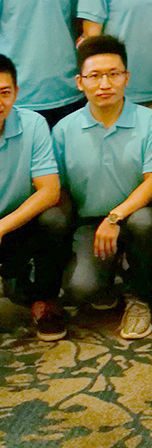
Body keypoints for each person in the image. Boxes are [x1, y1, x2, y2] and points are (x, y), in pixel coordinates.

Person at [51, 36, 152, 339]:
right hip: (90, 223)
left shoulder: (150, 121)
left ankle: (139, 299)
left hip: (137, 216)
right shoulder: (64, 130)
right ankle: (109, 276)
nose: (105, 84)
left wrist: (115, 217)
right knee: (80, 289)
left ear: (126, 77)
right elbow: (60, 190)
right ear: (80, 82)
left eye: (114, 74)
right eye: (95, 76)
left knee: (144, 221)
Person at [0, 54, 65, 341]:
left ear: (16, 92)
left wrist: (3, 226)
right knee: (15, 290)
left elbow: (50, 190)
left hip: (17, 223)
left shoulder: (33, 124)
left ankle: (45, 302)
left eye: (4, 92)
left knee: (55, 218)